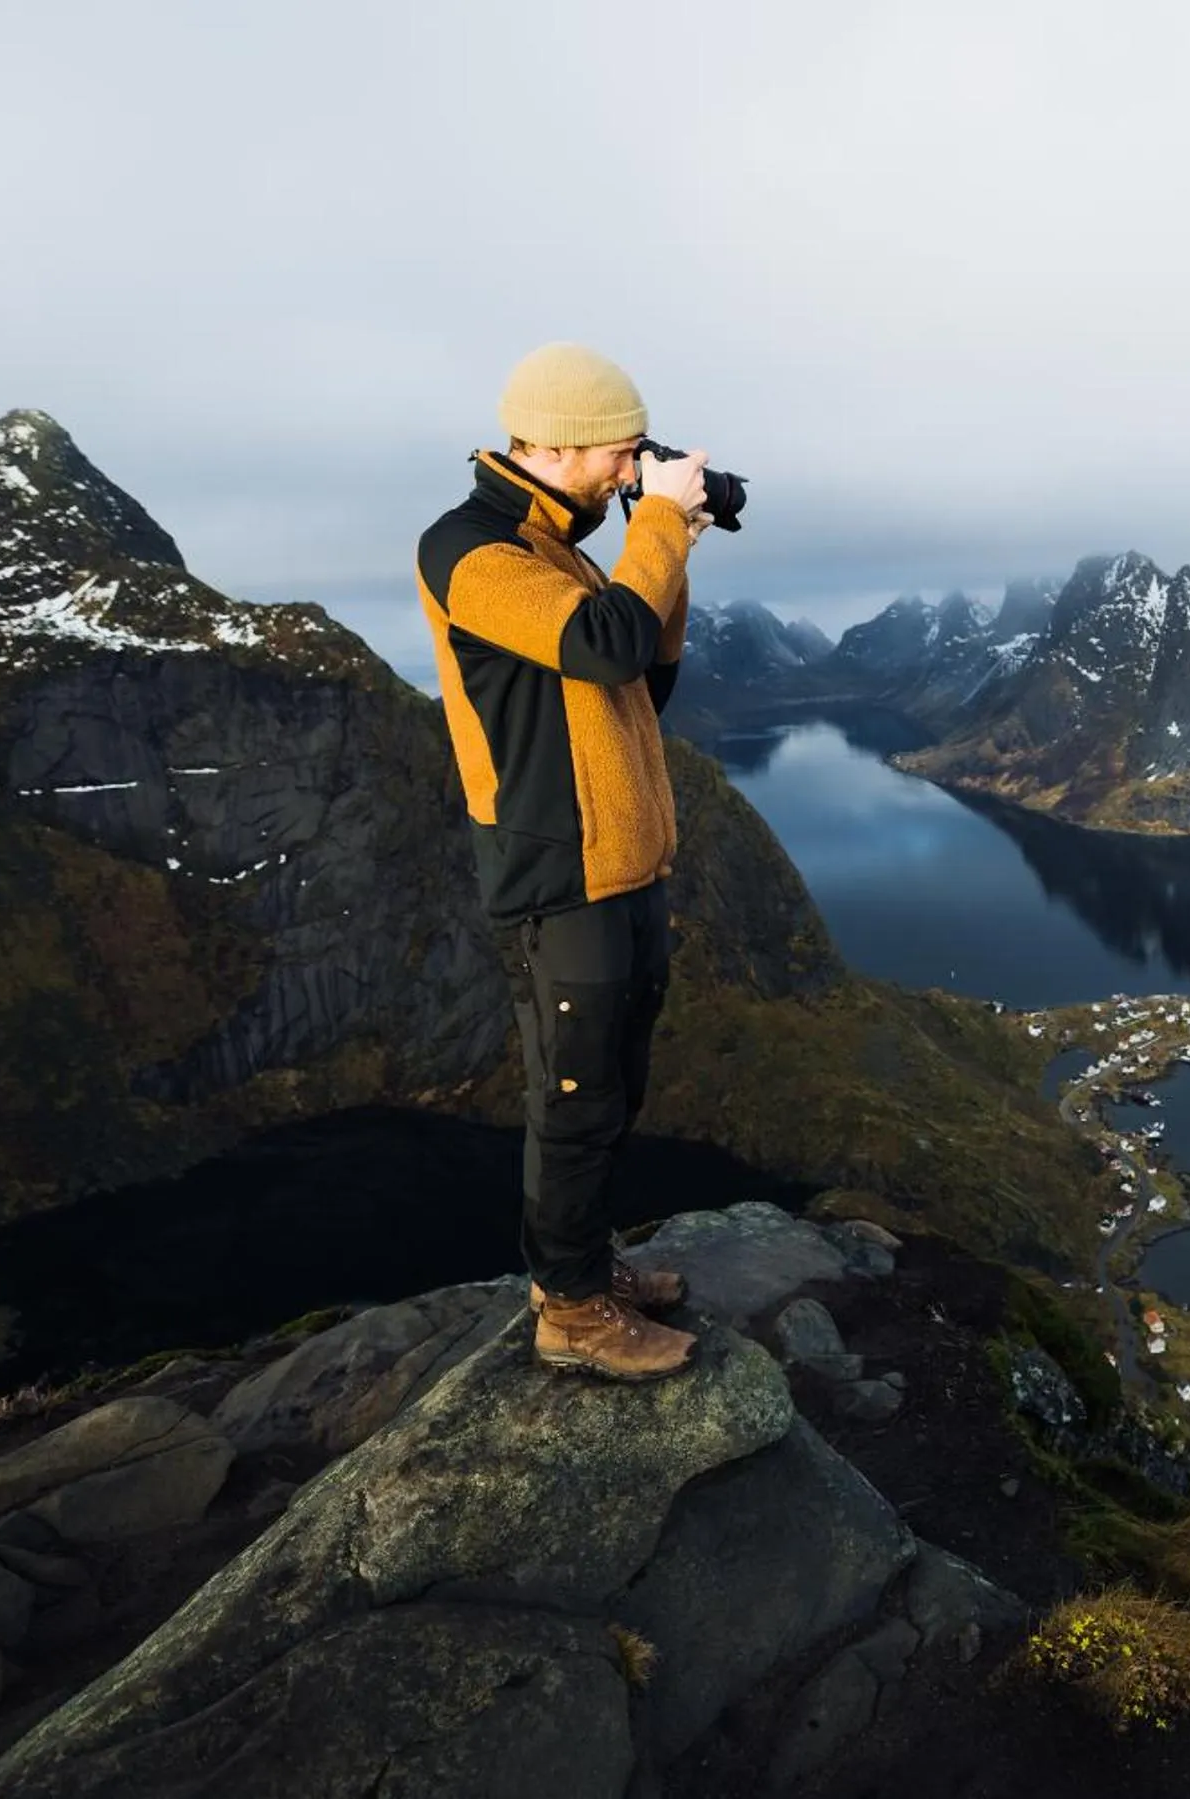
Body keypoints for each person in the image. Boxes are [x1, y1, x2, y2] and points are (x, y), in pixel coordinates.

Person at [414, 342, 714, 1380]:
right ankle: (571, 1312)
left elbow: (644, 676)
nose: (629, 469)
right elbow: (602, 644)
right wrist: (662, 526)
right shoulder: (472, 550)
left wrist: (665, 542)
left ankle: (584, 1266)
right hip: (560, 868)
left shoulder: (571, 551)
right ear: (548, 444)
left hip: (624, 864)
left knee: (614, 1085)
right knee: (573, 1095)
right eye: (618, 453)